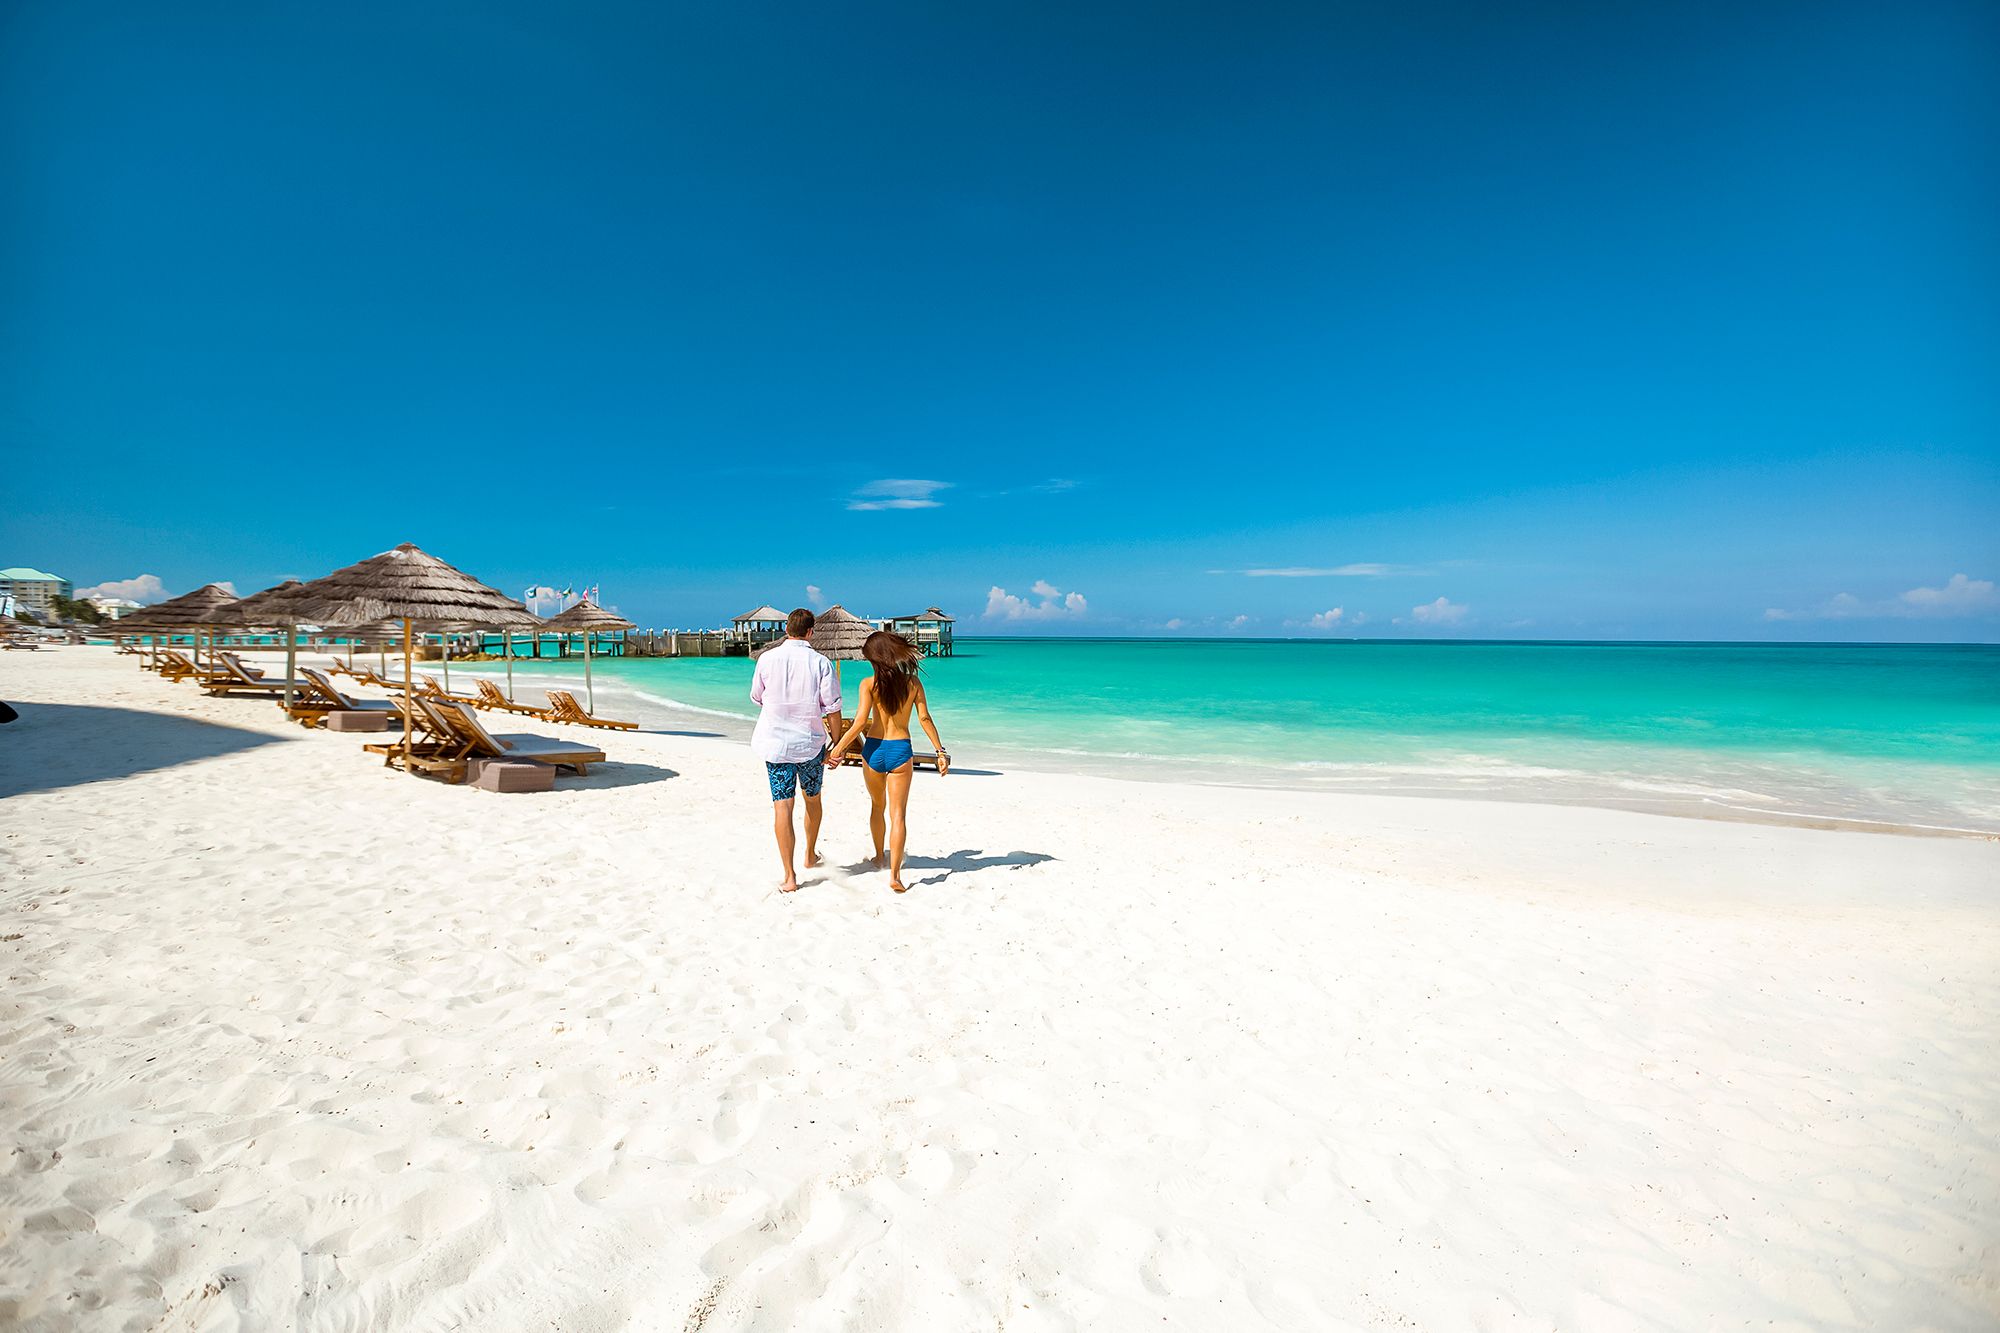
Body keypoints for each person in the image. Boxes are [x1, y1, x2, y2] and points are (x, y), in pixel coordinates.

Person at [826, 632, 950, 893]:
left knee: (876, 806)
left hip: (873, 751)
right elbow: (925, 719)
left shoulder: (868, 684)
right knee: (898, 815)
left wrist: (837, 750)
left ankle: (879, 857)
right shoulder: (913, 683)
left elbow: (860, 722)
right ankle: (894, 876)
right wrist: (940, 751)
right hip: (900, 751)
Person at [749, 608, 842, 893]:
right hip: (810, 745)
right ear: (811, 632)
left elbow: (757, 697)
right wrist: (835, 744)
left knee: (782, 806)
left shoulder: (766, 658)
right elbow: (833, 708)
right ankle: (810, 854)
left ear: (786, 629)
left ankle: (789, 877)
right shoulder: (821, 663)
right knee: (812, 800)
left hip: (775, 744)